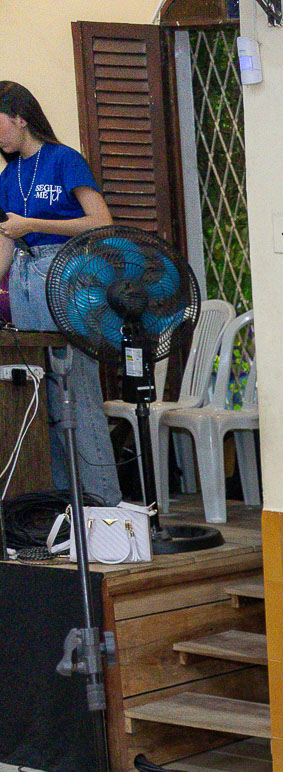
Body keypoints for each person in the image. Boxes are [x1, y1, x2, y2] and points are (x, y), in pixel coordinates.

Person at [0, 82, 117, 503]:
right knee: (41, 396)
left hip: (67, 272)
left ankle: (102, 503)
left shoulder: (65, 159)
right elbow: (6, 243)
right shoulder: (7, 176)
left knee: (76, 391)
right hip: (24, 276)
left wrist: (34, 225)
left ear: (20, 117)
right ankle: (62, 504)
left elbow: (100, 222)